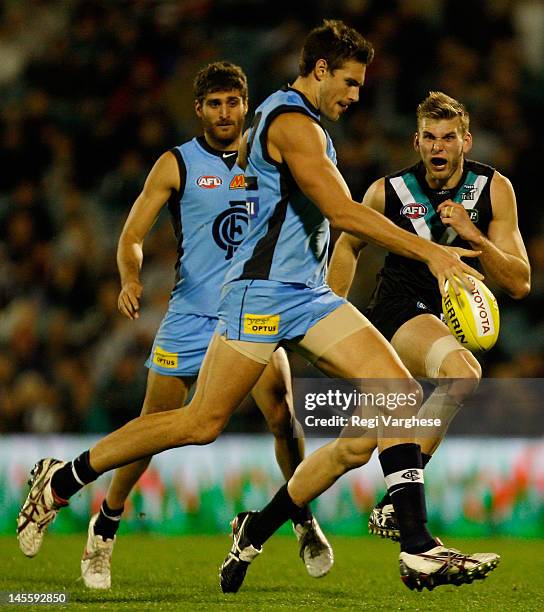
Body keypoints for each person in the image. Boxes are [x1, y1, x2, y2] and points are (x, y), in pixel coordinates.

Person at [17, 21, 498, 594]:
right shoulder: (293, 122)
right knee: (200, 424)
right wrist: (433, 255)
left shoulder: (299, 122)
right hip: (262, 296)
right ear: (320, 70)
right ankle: (66, 476)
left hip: (307, 294)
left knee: (393, 391)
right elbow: (342, 213)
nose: (355, 96)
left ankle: (417, 546)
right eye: (350, 83)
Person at [20, 62, 335, 588]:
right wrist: (130, 277)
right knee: (154, 428)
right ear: (199, 109)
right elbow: (132, 235)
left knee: (282, 414)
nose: (226, 113)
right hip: (191, 315)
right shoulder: (177, 164)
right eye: (215, 104)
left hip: (252, 310)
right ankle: (107, 523)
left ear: (247, 104)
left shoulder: (269, 152)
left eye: (234, 102)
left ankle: (299, 517)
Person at [326, 91, 530, 541]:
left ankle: (259, 526)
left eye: (449, 138)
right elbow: (348, 243)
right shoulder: (388, 191)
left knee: (351, 451)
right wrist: (330, 313)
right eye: (429, 138)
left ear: (466, 142)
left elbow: (518, 281)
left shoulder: (493, 189)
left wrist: (473, 232)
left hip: (447, 314)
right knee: (462, 374)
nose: (439, 147)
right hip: (399, 311)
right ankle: (397, 508)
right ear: (416, 143)